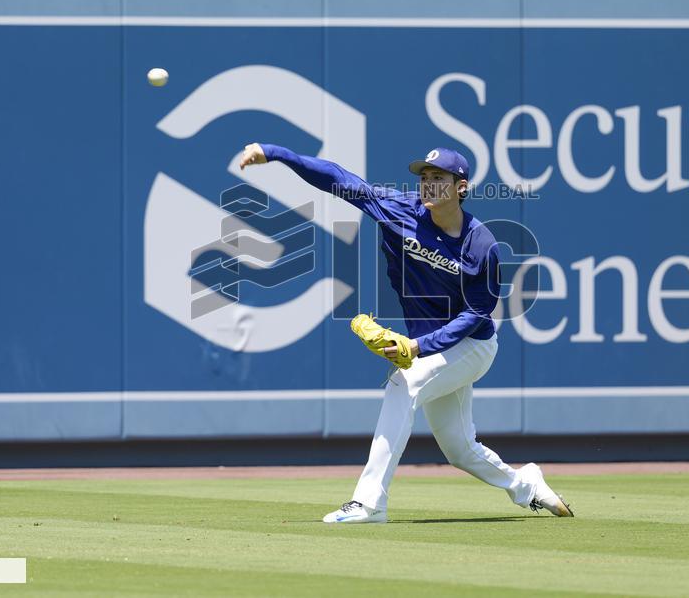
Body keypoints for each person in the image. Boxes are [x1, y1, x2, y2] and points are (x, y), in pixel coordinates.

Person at [238, 142, 573, 523]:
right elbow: (339, 179)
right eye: (424, 178)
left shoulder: (481, 245)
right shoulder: (398, 210)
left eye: (438, 178)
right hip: (431, 348)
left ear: (460, 187)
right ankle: (526, 485)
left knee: (403, 384)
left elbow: (478, 312)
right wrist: (278, 153)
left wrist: (417, 346)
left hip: (473, 346)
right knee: (460, 449)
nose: (428, 185)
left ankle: (369, 503)